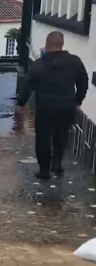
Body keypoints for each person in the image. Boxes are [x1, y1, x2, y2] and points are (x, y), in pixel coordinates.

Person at [18, 31, 89, 180]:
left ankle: (44, 171)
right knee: (61, 135)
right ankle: (57, 164)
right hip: (67, 106)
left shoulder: (39, 64)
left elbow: (28, 84)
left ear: (47, 44)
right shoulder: (75, 62)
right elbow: (83, 82)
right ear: (62, 44)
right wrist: (78, 101)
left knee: (43, 137)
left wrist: (22, 103)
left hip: (45, 106)